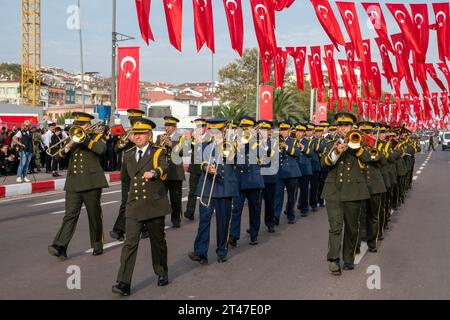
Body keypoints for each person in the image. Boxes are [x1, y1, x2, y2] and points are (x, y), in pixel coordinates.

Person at [112, 118, 171, 296]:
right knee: (129, 243)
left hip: (153, 203)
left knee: (157, 242)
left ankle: (161, 272)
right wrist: (126, 201)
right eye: (135, 133)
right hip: (134, 204)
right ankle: (123, 282)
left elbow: (164, 166)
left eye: (141, 133)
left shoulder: (157, 152)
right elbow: (126, 180)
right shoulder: (128, 154)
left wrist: (154, 172)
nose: (137, 137)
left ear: (149, 135)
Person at [48, 112, 108, 260]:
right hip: (73, 182)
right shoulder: (72, 138)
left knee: (94, 214)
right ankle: (60, 246)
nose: (78, 127)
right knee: (69, 215)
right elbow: (56, 157)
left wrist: (85, 139)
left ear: (88, 125)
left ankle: (97, 243)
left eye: (81, 125)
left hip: (91, 181)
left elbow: (101, 150)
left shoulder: (97, 137)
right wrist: (68, 146)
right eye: (77, 125)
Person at [321, 112, 372, 275]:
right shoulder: (330, 144)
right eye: (340, 125)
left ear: (352, 127)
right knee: (335, 227)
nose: (342, 128)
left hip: (353, 192)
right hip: (333, 191)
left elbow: (368, 159)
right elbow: (324, 163)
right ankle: (334, 259)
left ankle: (348, 258)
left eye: (346, 126)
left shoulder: (360, 143)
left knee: (351, 228)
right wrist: (336, 152)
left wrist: (355, 148)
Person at [188, 118, 238, 265]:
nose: (215, 135)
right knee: (204, 221)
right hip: (207, 187)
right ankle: (200, 252)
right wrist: (206, 168)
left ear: (223, 131)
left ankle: (222, 251)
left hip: (224, 188)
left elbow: (234, 159)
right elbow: (200, 163)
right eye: (212, 132)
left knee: (223, 222)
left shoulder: (231, 146)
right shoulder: (204, 146)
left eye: (218, 132)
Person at [110, 108, 148, 241]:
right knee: (126, 201)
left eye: (135, 120)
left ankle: (142, 228)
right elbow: (116, 149)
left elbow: (150, 148)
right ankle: (119, 229)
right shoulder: (127, 132)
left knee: (142, 199)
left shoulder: (147, 132)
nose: (133, 123)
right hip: (127, 170)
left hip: (141, 169)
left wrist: (135, 140)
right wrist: (123, 142)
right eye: (132, 120)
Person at [229, 116, 265, 247]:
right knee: (236, 209)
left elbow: (262, 158)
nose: (245, 129)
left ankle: (254, 234)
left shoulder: (259, 140)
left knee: (254, 209)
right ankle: (233, 235)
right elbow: (230, 158)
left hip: (254, 180)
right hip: (239, 179)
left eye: (248, 127)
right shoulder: (236, 140)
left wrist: (251, 141)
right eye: (243, 127)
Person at [156, 116, 186, 228]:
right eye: (166, 126)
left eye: (169, 126)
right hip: (163, 172)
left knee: (175, 199)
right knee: (161, 198)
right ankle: (160, 220)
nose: (167, 128)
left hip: (175, 172)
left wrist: (171, 145)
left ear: (174, 127)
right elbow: (155, 151)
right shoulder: (160, 137)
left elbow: (184, 152)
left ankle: (176, 219)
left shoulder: (181, 137)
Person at [274, 121, 302, 225]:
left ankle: (290, 215)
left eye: (285, 129)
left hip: (292, 173)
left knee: (291, 196)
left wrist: (286, 147)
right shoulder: (275, 141)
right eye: (281, 130)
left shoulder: (294, 141)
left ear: (289, 130)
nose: (283, 132)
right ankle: (276, 216)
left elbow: (298, 153)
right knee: (278, 196)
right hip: (280, 172)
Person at [184, 118, 209, 221]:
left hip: (205, 169)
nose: (198, 129)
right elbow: (185, 151)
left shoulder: (209, 138)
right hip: (194, 168)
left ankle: (206, 210)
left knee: (205, 192)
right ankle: (189, 212)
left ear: (205, 128)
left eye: (200, 127)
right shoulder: (193, 138)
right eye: (197, 127)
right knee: (192, 192)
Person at [258, 120, 277, 233]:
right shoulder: (253, 142)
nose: (264, 132)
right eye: (262, 129)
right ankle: (254, 226)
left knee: (270, 202)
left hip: (270, 176)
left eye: (266, 129)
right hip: (257, 176)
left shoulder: (274, 142)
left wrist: (263, 146)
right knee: (256, 204)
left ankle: (270, 222)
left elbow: (274, 155)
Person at [294, 123, 313, 217]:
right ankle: (289, 208)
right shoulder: (292, 141)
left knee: (304, 190)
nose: (298, 133)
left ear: (304, 133)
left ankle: (304, 208)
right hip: (295, 169)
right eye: (297, 131)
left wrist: (303, 147)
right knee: (293, 191)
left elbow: (312, 153)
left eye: (301, 131)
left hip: (305, 170)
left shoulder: (308, 141)